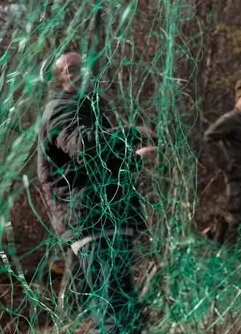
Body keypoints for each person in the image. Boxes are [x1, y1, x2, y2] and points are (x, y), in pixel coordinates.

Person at [37, 52, 155, 334]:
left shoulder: (90, 109)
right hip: (91, 219)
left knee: (125, 308)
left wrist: (134, 159)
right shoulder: (61, 109)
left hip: (109, 217)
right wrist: (131, 133)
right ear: (59, 78)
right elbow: (84, 146)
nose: (80, 73)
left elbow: (100, 164)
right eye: (71, 69)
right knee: (113, 306)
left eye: (82, 67)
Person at [202, 79, 241, 245]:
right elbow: (209, 137)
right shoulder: (231, 120)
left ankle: (217, 241)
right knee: (236, 219)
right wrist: (224, 163)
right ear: (237, 101)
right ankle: (227, 253)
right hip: (238, 178)